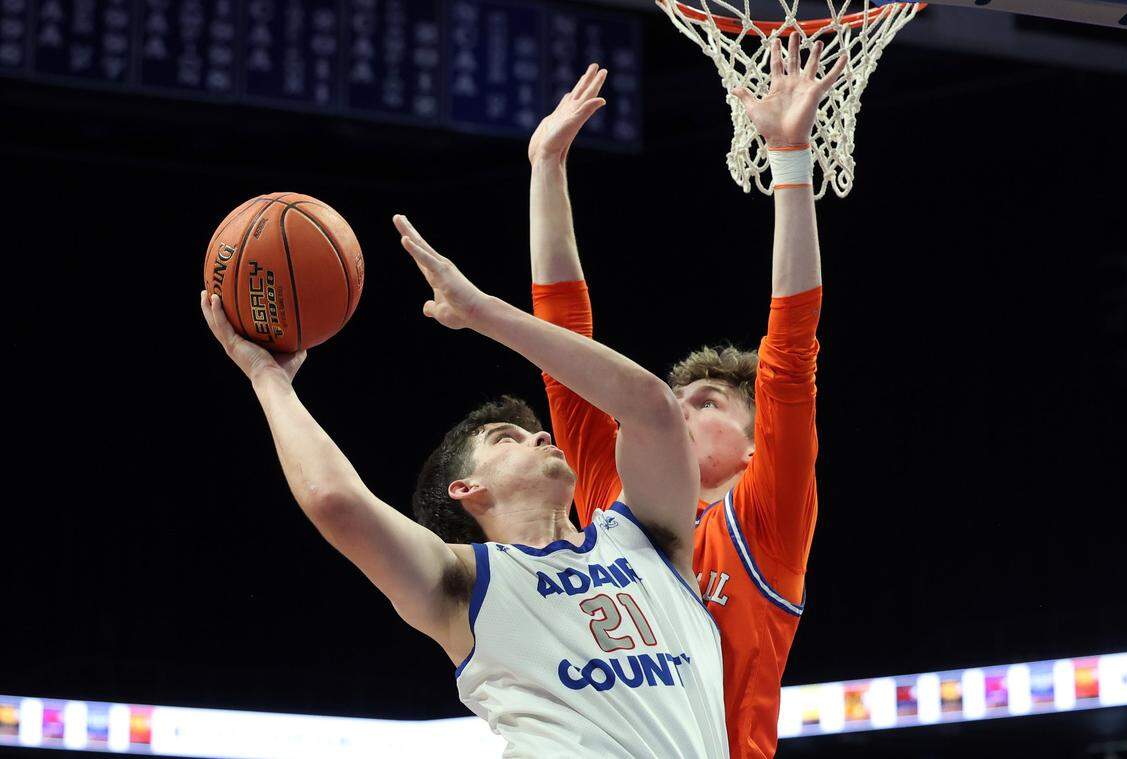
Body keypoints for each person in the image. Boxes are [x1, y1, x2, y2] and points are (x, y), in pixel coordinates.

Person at [198, 213, 729, 757]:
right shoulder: (466, 582)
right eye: (507, 438)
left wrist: (482, 313)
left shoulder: (646, 539)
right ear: (466, 488)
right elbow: (335, 501)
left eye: (533, 430)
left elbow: (653, 409)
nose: (540, 435)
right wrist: (268, 379)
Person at [526, 36, 845, 759]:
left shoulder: (764, 521)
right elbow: (562, 350)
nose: (678, 408)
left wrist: (791, 162)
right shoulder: (614, 493)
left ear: (757, 443)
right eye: (676, 396)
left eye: (706, 403)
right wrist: (546, 166)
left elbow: (791, 351)